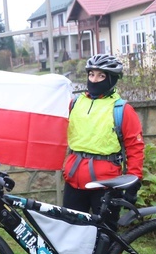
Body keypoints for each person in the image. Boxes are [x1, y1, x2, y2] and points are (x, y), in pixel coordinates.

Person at [62, 54, 145, 225]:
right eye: (91, 74)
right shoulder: (75, 104)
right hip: (74, 179)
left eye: (101, 76)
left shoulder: (122, 109)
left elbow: (134, 146)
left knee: (105, 236)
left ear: (112, 79)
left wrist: (133, 180)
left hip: (105, 184)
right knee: (71, 230)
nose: (94, 80)